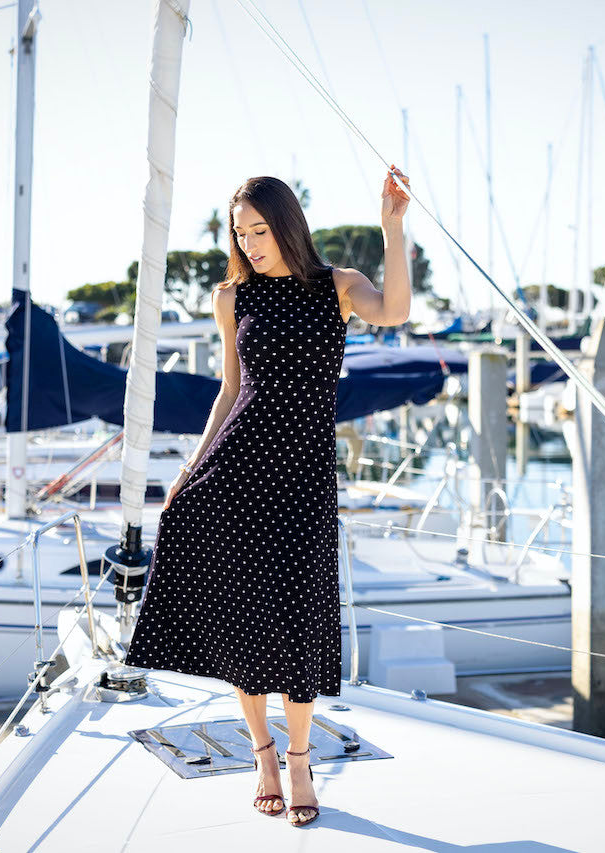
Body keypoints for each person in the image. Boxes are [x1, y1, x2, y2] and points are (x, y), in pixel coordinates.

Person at [122, 168, 411, 827]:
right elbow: (230, 391)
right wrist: (190, 468)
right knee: (241, 615)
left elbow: (394, 311)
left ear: (287, 225)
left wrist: (393, 230)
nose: (250, 243)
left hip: (304, 478)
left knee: (302, 618)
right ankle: (264, 755)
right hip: (238, 470)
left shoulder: (334, 288)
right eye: (239, 232)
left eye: (259, 229)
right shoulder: (233, 298)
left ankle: (302, 757)